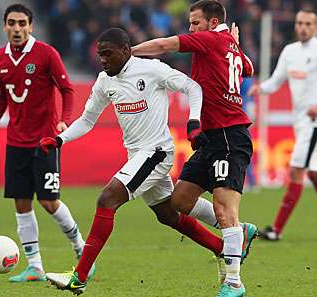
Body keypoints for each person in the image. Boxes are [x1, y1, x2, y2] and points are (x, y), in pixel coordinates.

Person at [42, 28, 231, 295]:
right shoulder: (104, 81)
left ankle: (79, 277)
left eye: (108, 54)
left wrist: (193, 121)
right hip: (137, 154)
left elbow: (192, 86)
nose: (103, 60)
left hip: (156, 152)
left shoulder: (151, 69)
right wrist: (60, 140)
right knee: (167, 214)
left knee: (107, 199)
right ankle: (227, 246)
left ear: (125, 50)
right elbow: (87, 120)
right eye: (100, 55)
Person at [131, 1, 257, 296]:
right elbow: (247, 69)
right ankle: (243, 231)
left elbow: (164, 45)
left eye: (195, 23)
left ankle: (234, 282)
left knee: (225, 209)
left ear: (213, 23)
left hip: (229, 137)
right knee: (179, 201)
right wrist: (235, 46)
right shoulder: (229, 45)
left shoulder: (211, 39)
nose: (190, 29)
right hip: (211, 139)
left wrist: (129, 52)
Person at [0, 4, 92, 283]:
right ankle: (35, 267)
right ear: (4, 26)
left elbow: (66, 89)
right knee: (21, 203)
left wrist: (64, 120)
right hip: (16, 142)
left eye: (22, 24)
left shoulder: (46, 54)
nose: (17, 29)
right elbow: (0, 96)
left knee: (50, 202)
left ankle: (81, 250)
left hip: (45, 140)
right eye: (12, 23)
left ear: (31, 26)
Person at [247, 10, 317, 241]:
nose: (303, 27)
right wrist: (260, 88)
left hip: (315, 122)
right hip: (300, 122)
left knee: (296, 170)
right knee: (315, 174)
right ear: (296, 26)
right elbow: (276, 81)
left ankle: (276, 230)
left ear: (315, 27)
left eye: (308, 23)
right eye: (300, 23)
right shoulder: (290, 51)